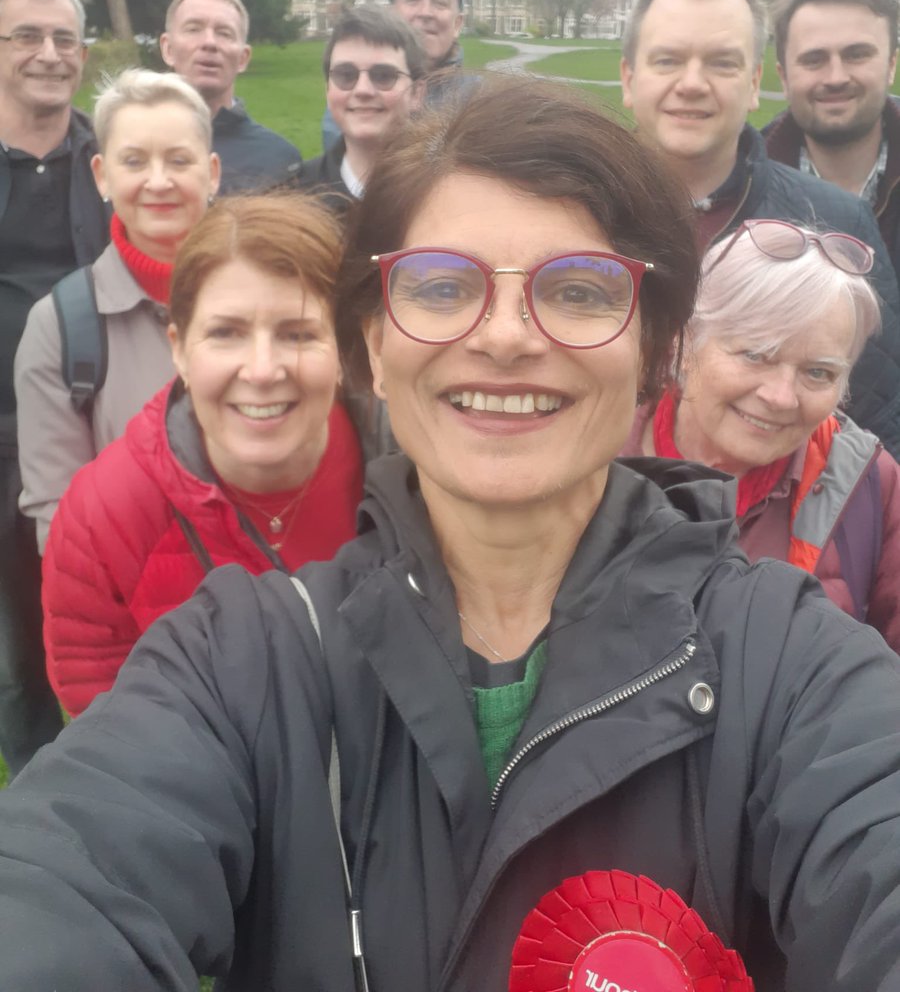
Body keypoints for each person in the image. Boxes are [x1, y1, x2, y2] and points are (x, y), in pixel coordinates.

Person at [4, 80, 900, 992]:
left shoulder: (788, 665)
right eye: (440, 285)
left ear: (655, 351)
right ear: (373, 348)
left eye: (581, 289)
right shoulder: (239, 659)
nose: (506, 337)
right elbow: (67, 879)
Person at [40, 193, 363, 717]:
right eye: (225, 333)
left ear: (344, 350)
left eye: (297, 333)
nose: (262, 370)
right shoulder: (101, 516)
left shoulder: (411, 469)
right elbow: (100, 705)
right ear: (179, 349)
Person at [620, 0, 900, 459]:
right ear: (628, 78)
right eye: (667, 60)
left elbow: (882, 415)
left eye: (721, 63)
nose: (692, 83)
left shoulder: (836, 223)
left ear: (752, 84)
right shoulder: (571, 214)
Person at [621, 218, 900, 648]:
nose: (782, 397)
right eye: (755, 354)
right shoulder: (594, 446)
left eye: (818, 372)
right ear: (683, 342)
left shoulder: (871, 484)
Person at [15, 68, 219, 555]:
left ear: (211, 172)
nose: (158, 181)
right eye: (134, 161)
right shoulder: (60, 328)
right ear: (102, 176)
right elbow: (61, 515)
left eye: (178, 159)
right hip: (141, 608)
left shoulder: (274, 297)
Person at [0, 0, 108, 775]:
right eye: (26, 37)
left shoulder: (111, 165)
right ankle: (35, 789)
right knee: (17, 652)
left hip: (92, 431)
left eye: (63, 38)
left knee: (92, 625)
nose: (47, 53)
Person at [763, 0, 900, 284]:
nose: (836, 77)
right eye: (813, 59)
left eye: (857, 54)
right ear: (784, 77)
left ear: (891, 65)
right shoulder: (746, 184)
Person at [161, 0, 301, 193]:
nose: (209, 42)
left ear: (243, 58)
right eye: (193, 29)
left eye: (224, 33)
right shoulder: (127, 148)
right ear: (168, 49)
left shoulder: (278, 161)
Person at [321, 0, 469, 149]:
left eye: (440, 2)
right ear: (391, 15)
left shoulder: (480, 102)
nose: (425, 12)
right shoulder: (354, 89)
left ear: (457, 24)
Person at [298, 6, 425, 207]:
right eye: (346, 75)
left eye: (384, 76)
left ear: (417, 93)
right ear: (327, 89)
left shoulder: (446, 194)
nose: (363, 90)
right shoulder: (296, 197)